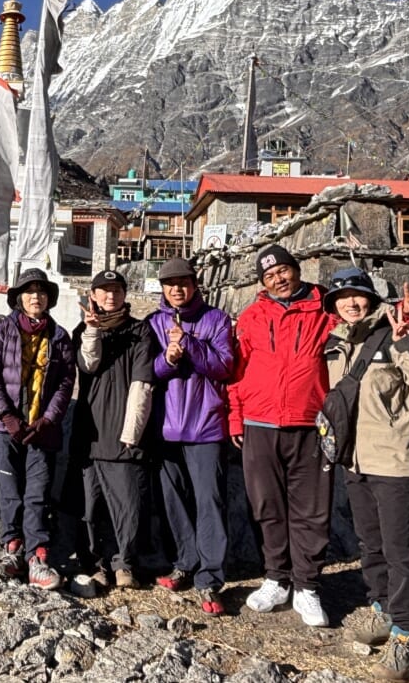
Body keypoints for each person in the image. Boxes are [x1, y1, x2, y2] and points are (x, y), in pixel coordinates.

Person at [230, 244, 409, 628]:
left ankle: (307, 584)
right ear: (262, 284)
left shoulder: (325, 307)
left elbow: (370, 324)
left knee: (311, 510)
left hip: (311, 422)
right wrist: (235, 418)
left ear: (296, 270)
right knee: (267, 506)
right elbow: (238, 370)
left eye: (283, 271)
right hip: (260, 422)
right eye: (269, 277)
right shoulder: (252, 316)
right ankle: (276, 578)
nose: (278, 279)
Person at [324, 268, 409, 681]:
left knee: (399, 550)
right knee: (369, 544)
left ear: (371, 300)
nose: (350, 303)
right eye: (342, 297)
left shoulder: (391, 335)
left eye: (357, 295)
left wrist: (405, 338)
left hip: (394, 460)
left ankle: (407, 636)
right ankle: (381, 608)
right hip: (355, 460)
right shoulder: (337, 343)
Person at [146, 256, 236, 615]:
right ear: (163, 288)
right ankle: (185, 561)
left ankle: (211, 578)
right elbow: (149, 371)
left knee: (209, 501)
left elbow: (225, 366)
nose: (177, 289)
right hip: (166, 426)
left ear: (195, 283)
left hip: (206, 424)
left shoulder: (216, 319)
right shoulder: (153, 323)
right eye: (170, 284)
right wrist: (167, 358)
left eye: (183, 282)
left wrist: (191, 346)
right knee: (175, 501)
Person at [0, 268, 76, 590]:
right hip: (2, 427)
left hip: (42, 428)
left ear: (49, 298)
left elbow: (65, 383)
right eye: (29, 291)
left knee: (37, 494)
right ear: (18, 297)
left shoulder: (59, 336)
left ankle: (38, 556)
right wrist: (6, 415)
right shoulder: (2, 333)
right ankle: (12, 550)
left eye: (42, 291)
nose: (36, 296)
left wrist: (48, 419)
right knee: (10, 493)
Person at [70, 268, 155, 594]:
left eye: (116, 290)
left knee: (129, 508)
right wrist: (91, 333)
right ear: (92, 295)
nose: (110, 296)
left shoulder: (140, 332)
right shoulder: (84, 330)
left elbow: (142, 383)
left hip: (123, 435)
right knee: (89, 508)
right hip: (90, 433)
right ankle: (95, 566)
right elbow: (88, 364)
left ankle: (125, 564)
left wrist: (131, 432)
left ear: (124, 294)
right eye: (103, 291)